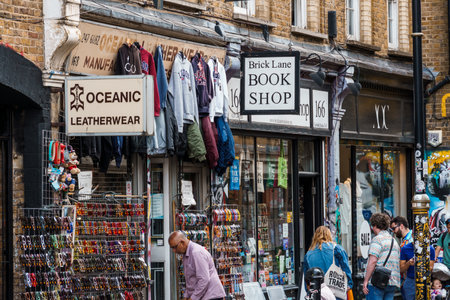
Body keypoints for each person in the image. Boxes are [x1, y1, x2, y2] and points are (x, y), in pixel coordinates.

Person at [168, 231, 226, 300]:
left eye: (175, 247)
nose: (174, 251)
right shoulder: (186, 254)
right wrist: (186, 296)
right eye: (172, 248)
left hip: (211, 296)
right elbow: (190, 280)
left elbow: (204, 279)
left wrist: (193, 298)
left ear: (182, 242)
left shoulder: (196, 253)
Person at [303, 226, 353, 300]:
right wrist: (349, 285)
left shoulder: (308, 254)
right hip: (336, 290)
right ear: (329, 235)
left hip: (318, 292)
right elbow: (346, 269)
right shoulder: (337, 249)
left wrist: (309, 292)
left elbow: (307, 277)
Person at [363, 213, 401, 300]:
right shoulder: (393, 241)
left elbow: (372, 261)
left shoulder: (377, 240)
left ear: (375, 225)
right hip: (392, 281)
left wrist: (366, 281)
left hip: (378, 281)